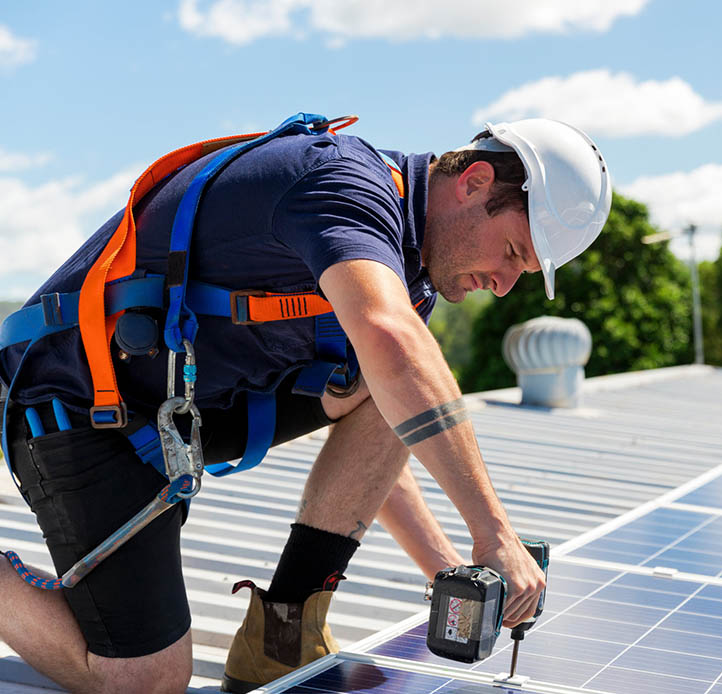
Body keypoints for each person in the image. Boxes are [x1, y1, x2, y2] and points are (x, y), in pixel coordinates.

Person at [0, 114, 612, 694]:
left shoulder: (403, 271)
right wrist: (494, 533)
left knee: (389, 384)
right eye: (511, 253)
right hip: (79, 407)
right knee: (144, 681)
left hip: (172, 409)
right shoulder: (341, 183)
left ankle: (282, 633)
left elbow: (391, 421)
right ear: (474, 182)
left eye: (523, 273)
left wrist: (446, 569)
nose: (504, 285)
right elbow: (394, 344)